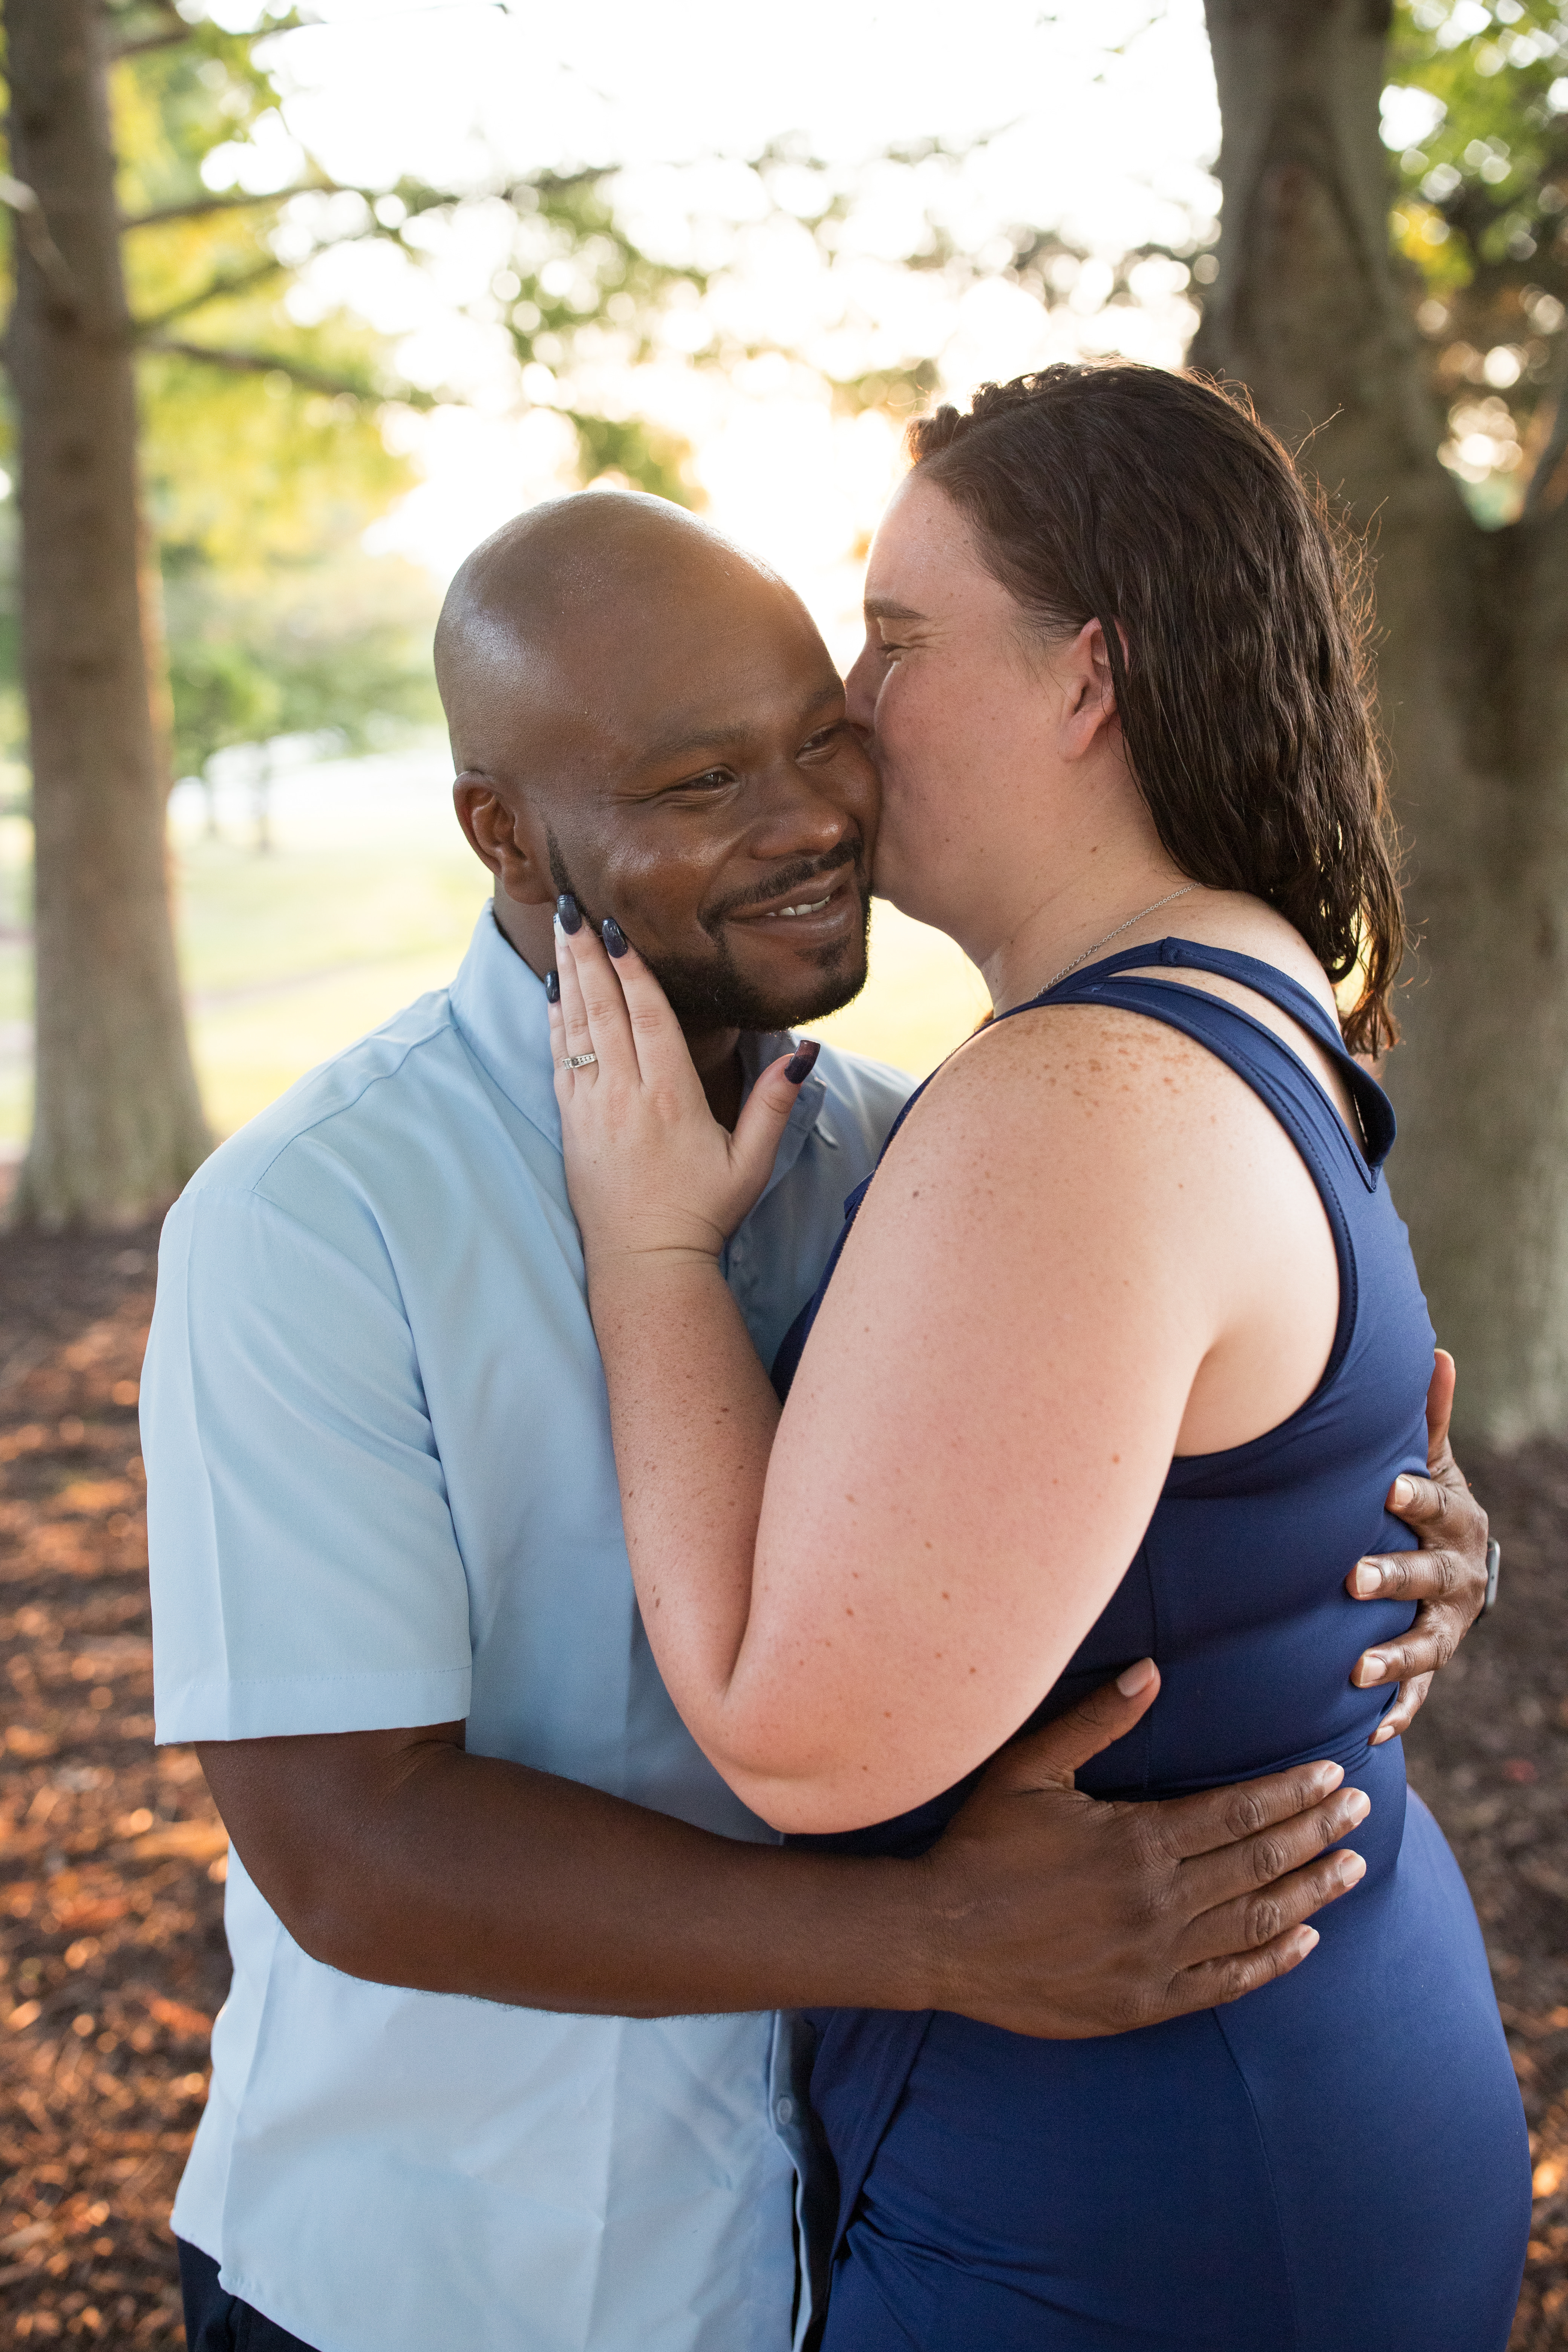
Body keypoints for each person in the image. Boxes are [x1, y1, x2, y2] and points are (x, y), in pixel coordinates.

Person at [145, 494, 1488, 2352]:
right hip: (452, 2277)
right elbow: (347, 1846)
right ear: (500, 833)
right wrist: (933, 1942)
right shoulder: (314, 1220)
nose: (804, 825)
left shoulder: (906, 1139)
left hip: (850, 2241)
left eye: (819, 739)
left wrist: (1363, 1531)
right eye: (700, 785)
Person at [547, 374, 1531, 2351]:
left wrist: (649, 1245)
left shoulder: (1081, 1094)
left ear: (1094, 676)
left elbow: (796, 1730)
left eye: (899, 642)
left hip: (1153, 2200)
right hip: (1288, 2100)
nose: (844, 702)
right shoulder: (1248, 979)